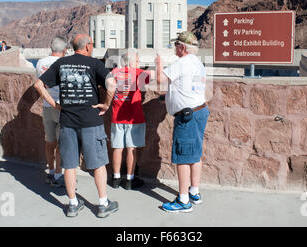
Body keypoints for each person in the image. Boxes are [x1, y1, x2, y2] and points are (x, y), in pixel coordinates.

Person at [34, 34, 118, 218]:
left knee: (69, 165)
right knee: (97, 164)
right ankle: (103, 204)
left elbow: (39, 85)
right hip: (91, 121)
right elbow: (111, 83)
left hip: (68, 121)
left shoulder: (61, 63)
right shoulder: (95, 64)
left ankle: (72, 204)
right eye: (92, 44)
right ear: (88, 46)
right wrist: (106, 104)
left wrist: (56, 105)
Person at [155, 32, 209, 213]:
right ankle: (194, 191)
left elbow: (160, 80)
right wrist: (169, 97)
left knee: (183, 157)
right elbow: (185, 86)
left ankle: (183, 200)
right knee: (195, 153)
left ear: (183, 47)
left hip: (187, 116)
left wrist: (158, 64)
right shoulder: (198, 63)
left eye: (176, 45)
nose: (175, 48)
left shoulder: (181, 63)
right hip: (200, 111)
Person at [110, 50, 150, 190]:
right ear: (133, 62)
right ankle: (129, 179)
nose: (139, 63)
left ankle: (115, 178)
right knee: (131, 149)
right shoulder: (139, 72)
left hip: (116, 117)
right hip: (134, 118)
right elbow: (153, 78)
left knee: (117, 148)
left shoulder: (114, 72)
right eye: (138, 61)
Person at [36, 36, 68, 187]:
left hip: (47, 107)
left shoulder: (41, 63)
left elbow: (40, 84)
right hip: (61, 107)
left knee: (50, 142)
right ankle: (58, 174)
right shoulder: (65, 63)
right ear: (65, 50)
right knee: (61, 144)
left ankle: (50, 172)